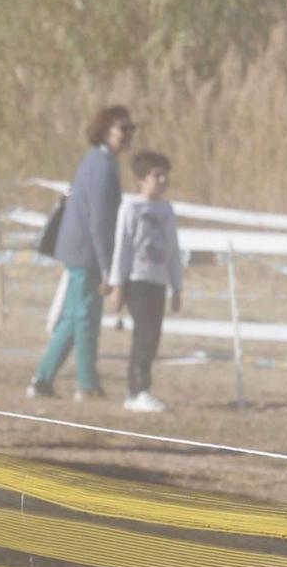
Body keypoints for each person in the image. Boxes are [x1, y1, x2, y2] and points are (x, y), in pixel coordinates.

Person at [29, 104, 135, 401]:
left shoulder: (101, 162)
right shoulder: (101, 166)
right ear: (106, 132)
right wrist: (107, 267)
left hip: (81, 251)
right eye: (123, 129)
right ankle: (86, 385)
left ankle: (43, 380)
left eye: (132, 129)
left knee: (76, 317)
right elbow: (100, 222)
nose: (129, 135)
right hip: (86, 253)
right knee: (86, 317)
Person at [109, 151, 182, 414]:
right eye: (156, 175)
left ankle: (140, 390)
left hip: (158, 281)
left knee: (153, 336)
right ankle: (137, 390)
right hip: (136, 279)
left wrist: (177, 286)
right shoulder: (131, 207)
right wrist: (117, 285)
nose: (162, 180)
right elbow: (122, 247)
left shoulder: (166, 210)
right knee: (144, 333)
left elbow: (173, 249)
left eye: (165, 175)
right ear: (141, 179)